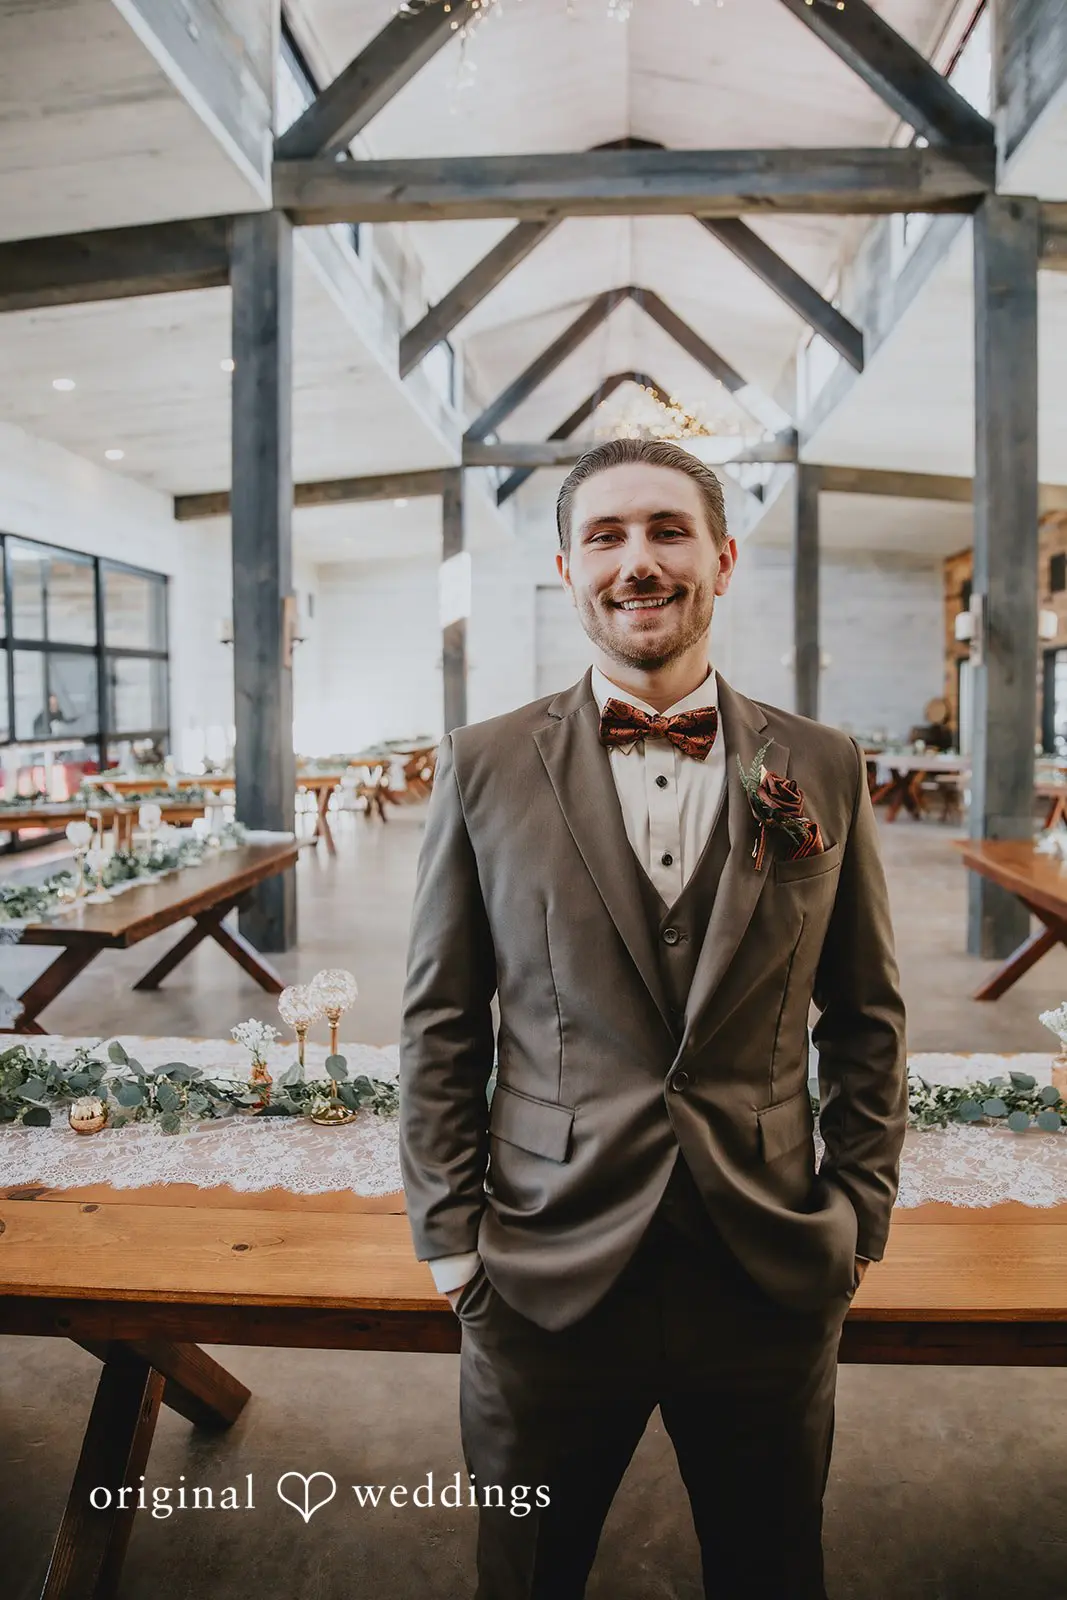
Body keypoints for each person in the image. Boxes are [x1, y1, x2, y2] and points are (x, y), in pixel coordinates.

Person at [399, 437, 907, 1600]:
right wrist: (448, 1246)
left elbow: (866, 1013)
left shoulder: (821, 764)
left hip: (767, 1263)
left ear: (721, 560)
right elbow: (440, 1019)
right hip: (538, 1264)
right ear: (569, 570)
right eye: (606, 535)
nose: (638, 560)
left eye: (667, 531)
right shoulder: (482, 765)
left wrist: (856, 1216)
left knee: (773, 1565)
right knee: (525, 1573)